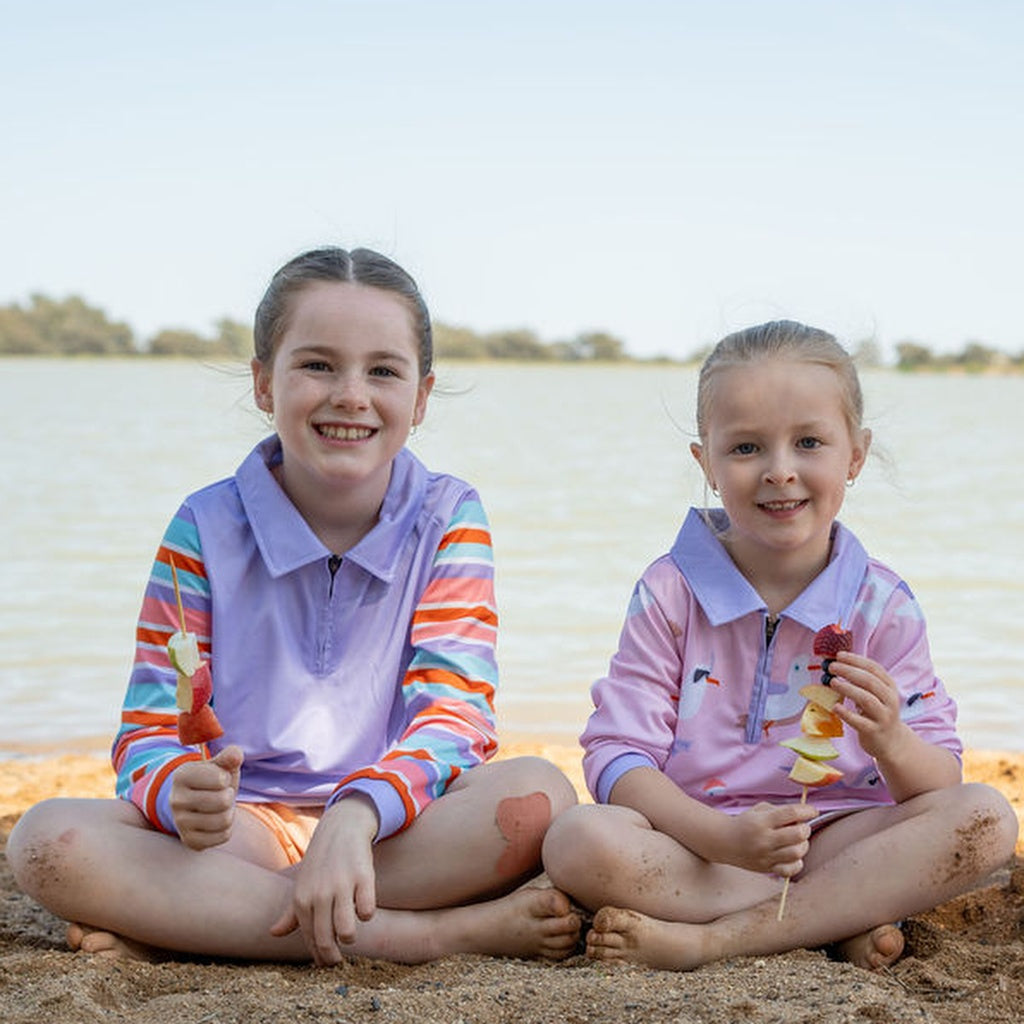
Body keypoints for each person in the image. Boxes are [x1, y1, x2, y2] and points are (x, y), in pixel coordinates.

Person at [8, 246, 580, 966]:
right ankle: (428, 936)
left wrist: (355, 810)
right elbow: (151, 733)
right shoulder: (204, 528)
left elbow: (456, 715)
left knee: (540, 795)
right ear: (262, 383)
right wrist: (175, 791)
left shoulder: (449, 517)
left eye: (383, 370)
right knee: (47, 842)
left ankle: (200, 926)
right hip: (242, 835)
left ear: (423, 397)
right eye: (317, 365)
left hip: (396, 832)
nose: (350, 394)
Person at [542, 320, 1018, 972]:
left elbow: (939, 777)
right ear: (705, 463)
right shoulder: (670, 589)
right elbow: (618, 757)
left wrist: (891, 740)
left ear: (854, 455)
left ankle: (719, 938)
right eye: (745, 448)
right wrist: (723, 837)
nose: (780, 471)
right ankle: (834, 919)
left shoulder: (883, 604)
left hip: (843, 836)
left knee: (986, 818)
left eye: (810, 442)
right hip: (702, 845)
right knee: (576, 839)